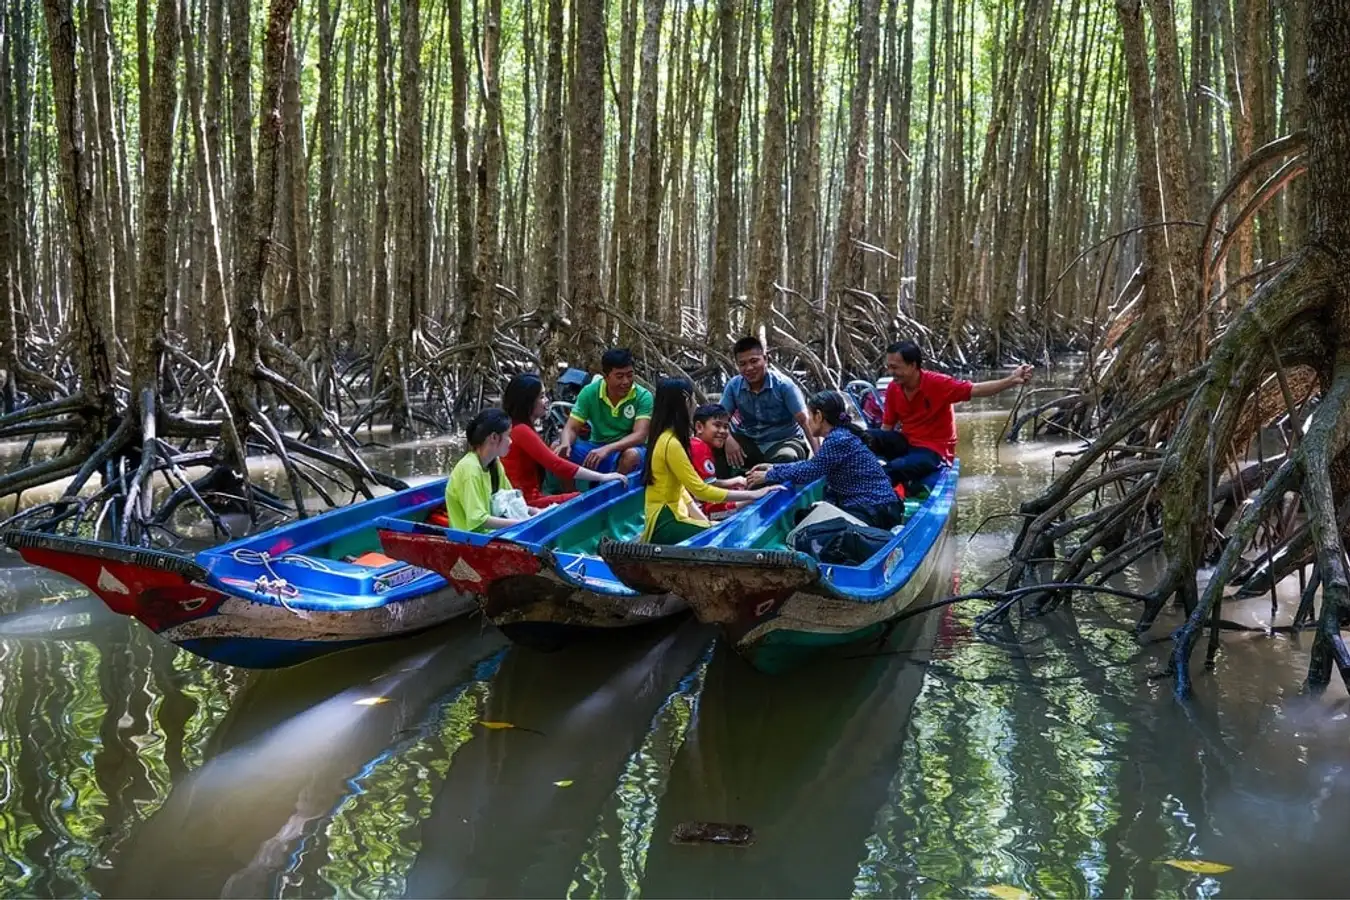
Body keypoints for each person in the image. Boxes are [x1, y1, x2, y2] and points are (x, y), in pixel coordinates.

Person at [868, 340, 1033, 485]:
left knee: (895, 468)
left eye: (895, 367)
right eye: (888, 367)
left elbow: (977, 389)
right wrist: (877, 447)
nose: (890, 372)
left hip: (934, 450)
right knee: (862, 436)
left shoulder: (938, 383)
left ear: (913, 365)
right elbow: (887, 426)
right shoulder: (893, 388)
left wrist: (1011, 381)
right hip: (906, 441)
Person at [641, 377, 784, 544]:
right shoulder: (671, 444)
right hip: (665, 523)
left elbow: (682, 491)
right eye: (693, 398)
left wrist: (705, 522)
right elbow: (701, 490)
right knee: (732, 537)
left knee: (720, 529)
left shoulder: (667, 438)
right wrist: (755, 493)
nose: (695, 403)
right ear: (686, 400)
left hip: (669, 517)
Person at [747, 391, 906, 530]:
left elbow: (809, 471)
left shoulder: (838, 440)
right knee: (805, 518)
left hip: (876, 510)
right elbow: (813, 465)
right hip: (876, 507)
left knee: (811, 530)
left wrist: (770, 475)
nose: (808, 421)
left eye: (810, 416)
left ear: (819, 416)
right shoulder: (840, 436)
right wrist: (774, 467)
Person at [500, 373, 628, 508]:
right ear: (528, 402)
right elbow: (555, 464)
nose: (547, 400)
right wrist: (603, 477)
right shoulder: (521, 430)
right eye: (542, 396)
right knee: (581, 499)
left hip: (528, 498)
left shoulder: (520, 427)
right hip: (525, 502)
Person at [716, 336, 819, 477]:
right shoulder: (734, 386)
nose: (749, 368)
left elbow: (805, 421)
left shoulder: (784, 385)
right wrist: (728, 439)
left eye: (754, 361)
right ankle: (721, 491)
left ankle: (763, 492)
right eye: (743, 364)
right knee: (715, 446)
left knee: (786, 458)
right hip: (750, 443)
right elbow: (719, 419)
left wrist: (820, 459)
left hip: (784, 441)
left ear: (765, 359)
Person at [556, 348, 652, 476]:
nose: (626, 381)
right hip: (596, 446)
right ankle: (573, 494)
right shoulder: (589, 392)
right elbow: (572, 427)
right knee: (558, 448)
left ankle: (613, 493)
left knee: (631, 456)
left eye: (630, 375)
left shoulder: (643, 396)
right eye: (619, 376)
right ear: (606, 377)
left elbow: (640, 435)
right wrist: (566, 443)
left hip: (626, 449)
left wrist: (608, 448)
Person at [446, 408, 539, 533]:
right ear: (494, 437)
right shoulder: (470, 469)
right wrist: (522, 523)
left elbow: (510, 501)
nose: (511, 441)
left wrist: (535, 512)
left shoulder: (494, 463)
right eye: (508, 435)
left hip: (492, 535)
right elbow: (479, 519)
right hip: (473, 542)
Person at [690, 403, 745, 515]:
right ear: (699, 427)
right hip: (695, 507)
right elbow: (708, 486)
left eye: (725, 427)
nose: (723, 431)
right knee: (750, 501)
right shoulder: (699, 448)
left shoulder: (697, 444)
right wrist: (736, 481)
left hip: (697, 500)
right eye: (717, 425)